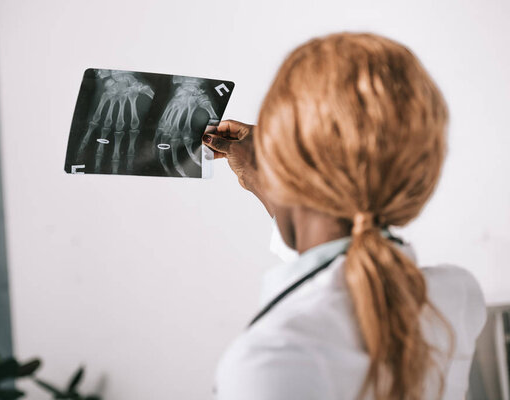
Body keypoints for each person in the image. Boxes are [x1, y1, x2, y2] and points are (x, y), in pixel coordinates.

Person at [203, 32, 486, 400]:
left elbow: (330, 269)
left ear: (286, 159)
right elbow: (338, 260)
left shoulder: (271, 360)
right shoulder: (456, 296)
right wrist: (267, 177)